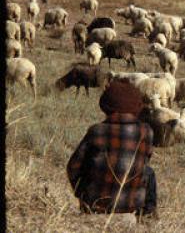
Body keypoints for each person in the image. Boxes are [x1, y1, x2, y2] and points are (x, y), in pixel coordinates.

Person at [67, 80, 157, 218]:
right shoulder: (147, 132)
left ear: (106, 106)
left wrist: (82, 194)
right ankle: (147, 215)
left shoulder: (97, 131)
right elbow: (145, 161)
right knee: (148, 171)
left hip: (94, 207)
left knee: (87, 164)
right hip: (129, 210)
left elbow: (73, 167)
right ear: (137, 107)